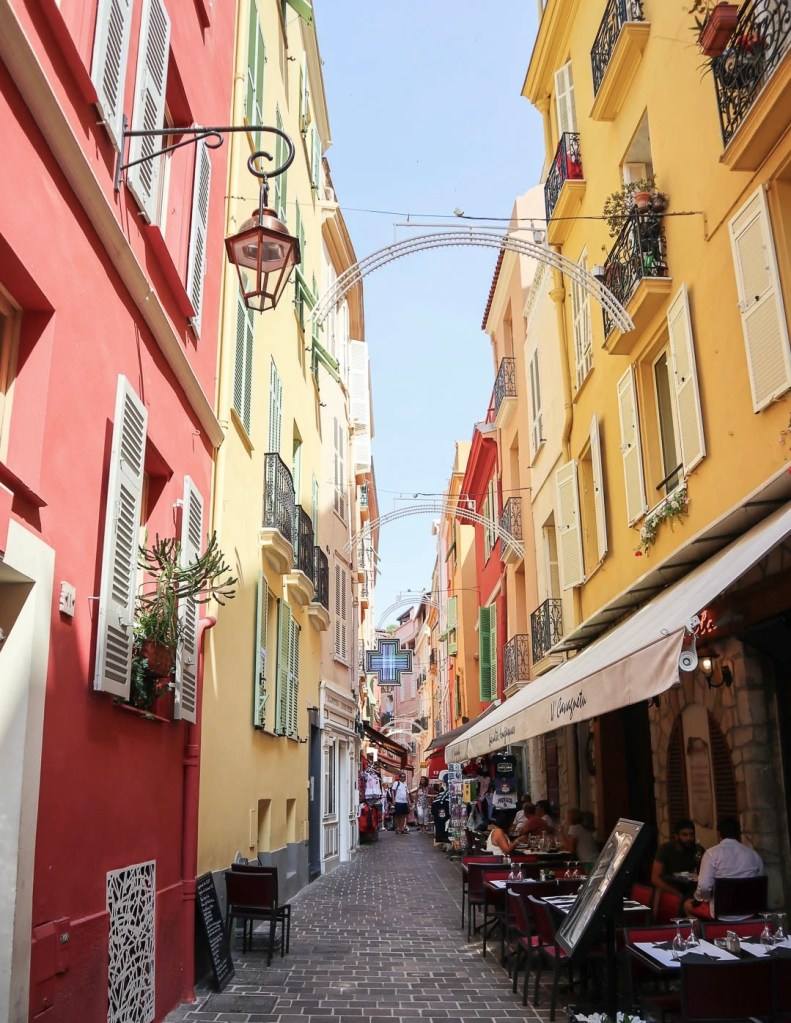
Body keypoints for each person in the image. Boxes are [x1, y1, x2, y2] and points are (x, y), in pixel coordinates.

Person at [684, 815, 764, 919]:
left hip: (721, 913)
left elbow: (704, 887)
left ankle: (703, 930)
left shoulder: (711, 854)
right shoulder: (753, 855)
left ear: (719, 834)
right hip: (749, 911)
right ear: (739, 834)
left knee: (687, 905)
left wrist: (700, 898)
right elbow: (760, 884)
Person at [652, 818, 705, 898]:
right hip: (668, 888)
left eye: (691, 834)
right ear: (676, 836)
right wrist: (677, 894)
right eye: (684, 835)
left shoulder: (698, 850)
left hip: (688, 887)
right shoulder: (665, 849)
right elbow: (655, 879)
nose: (689, 838)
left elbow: (703, 874)